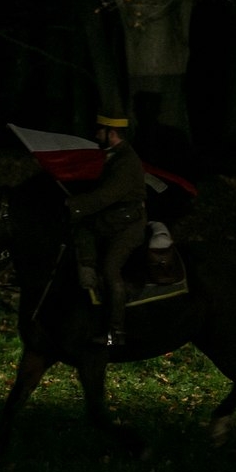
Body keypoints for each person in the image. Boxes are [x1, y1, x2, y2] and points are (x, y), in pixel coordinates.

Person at [66, 113, 148, 347]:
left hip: (128, 224)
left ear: (111, 133)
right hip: (114, 219)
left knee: (111, 268)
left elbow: (107, 195)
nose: (96, 135)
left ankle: (116, 331)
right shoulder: (115, 156)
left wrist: (74, 205)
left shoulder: (126, 161)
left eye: (100, 131)